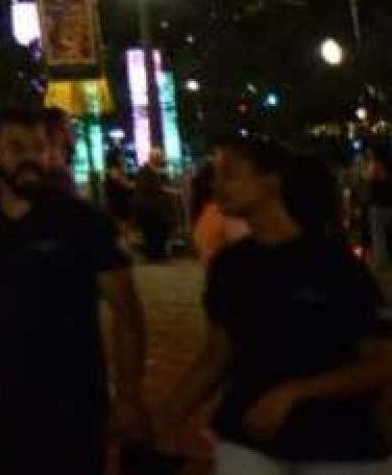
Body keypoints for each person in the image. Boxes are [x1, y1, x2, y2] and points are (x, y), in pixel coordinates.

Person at [0, 104, 149, 474]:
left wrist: (129, 397)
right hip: (5, 405)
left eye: (39, 148)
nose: (31, 158)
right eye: (17, 148)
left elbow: (128, 313)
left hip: (78, 408)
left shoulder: (84, 222)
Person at [157, 138, 392, 473]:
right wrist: (168, 414)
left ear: (272, 180)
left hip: (338, 438)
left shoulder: (334, 265)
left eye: (230, 175)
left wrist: (294, 392)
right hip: (250, 435)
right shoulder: (230, 266)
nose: (216, 185)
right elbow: (217, 355)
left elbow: (381, 362)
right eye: (215, 176)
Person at [134, 150, 178, 264]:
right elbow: (148, 188)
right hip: (148, 208)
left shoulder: (154, 171)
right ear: (155, 159)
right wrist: (166, 190)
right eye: (161, 158)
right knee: (152, 232)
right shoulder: (145, 171)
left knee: (159, 231)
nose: (163, 160)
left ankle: (158, 255)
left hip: (155, 208)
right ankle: (154, 256)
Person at [365, 143, 392, 271]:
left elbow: (370, 180)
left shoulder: (376, 167)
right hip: (386, 205)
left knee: (378, 235)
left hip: (379, 206)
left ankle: (381, 261)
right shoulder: (387, 166)